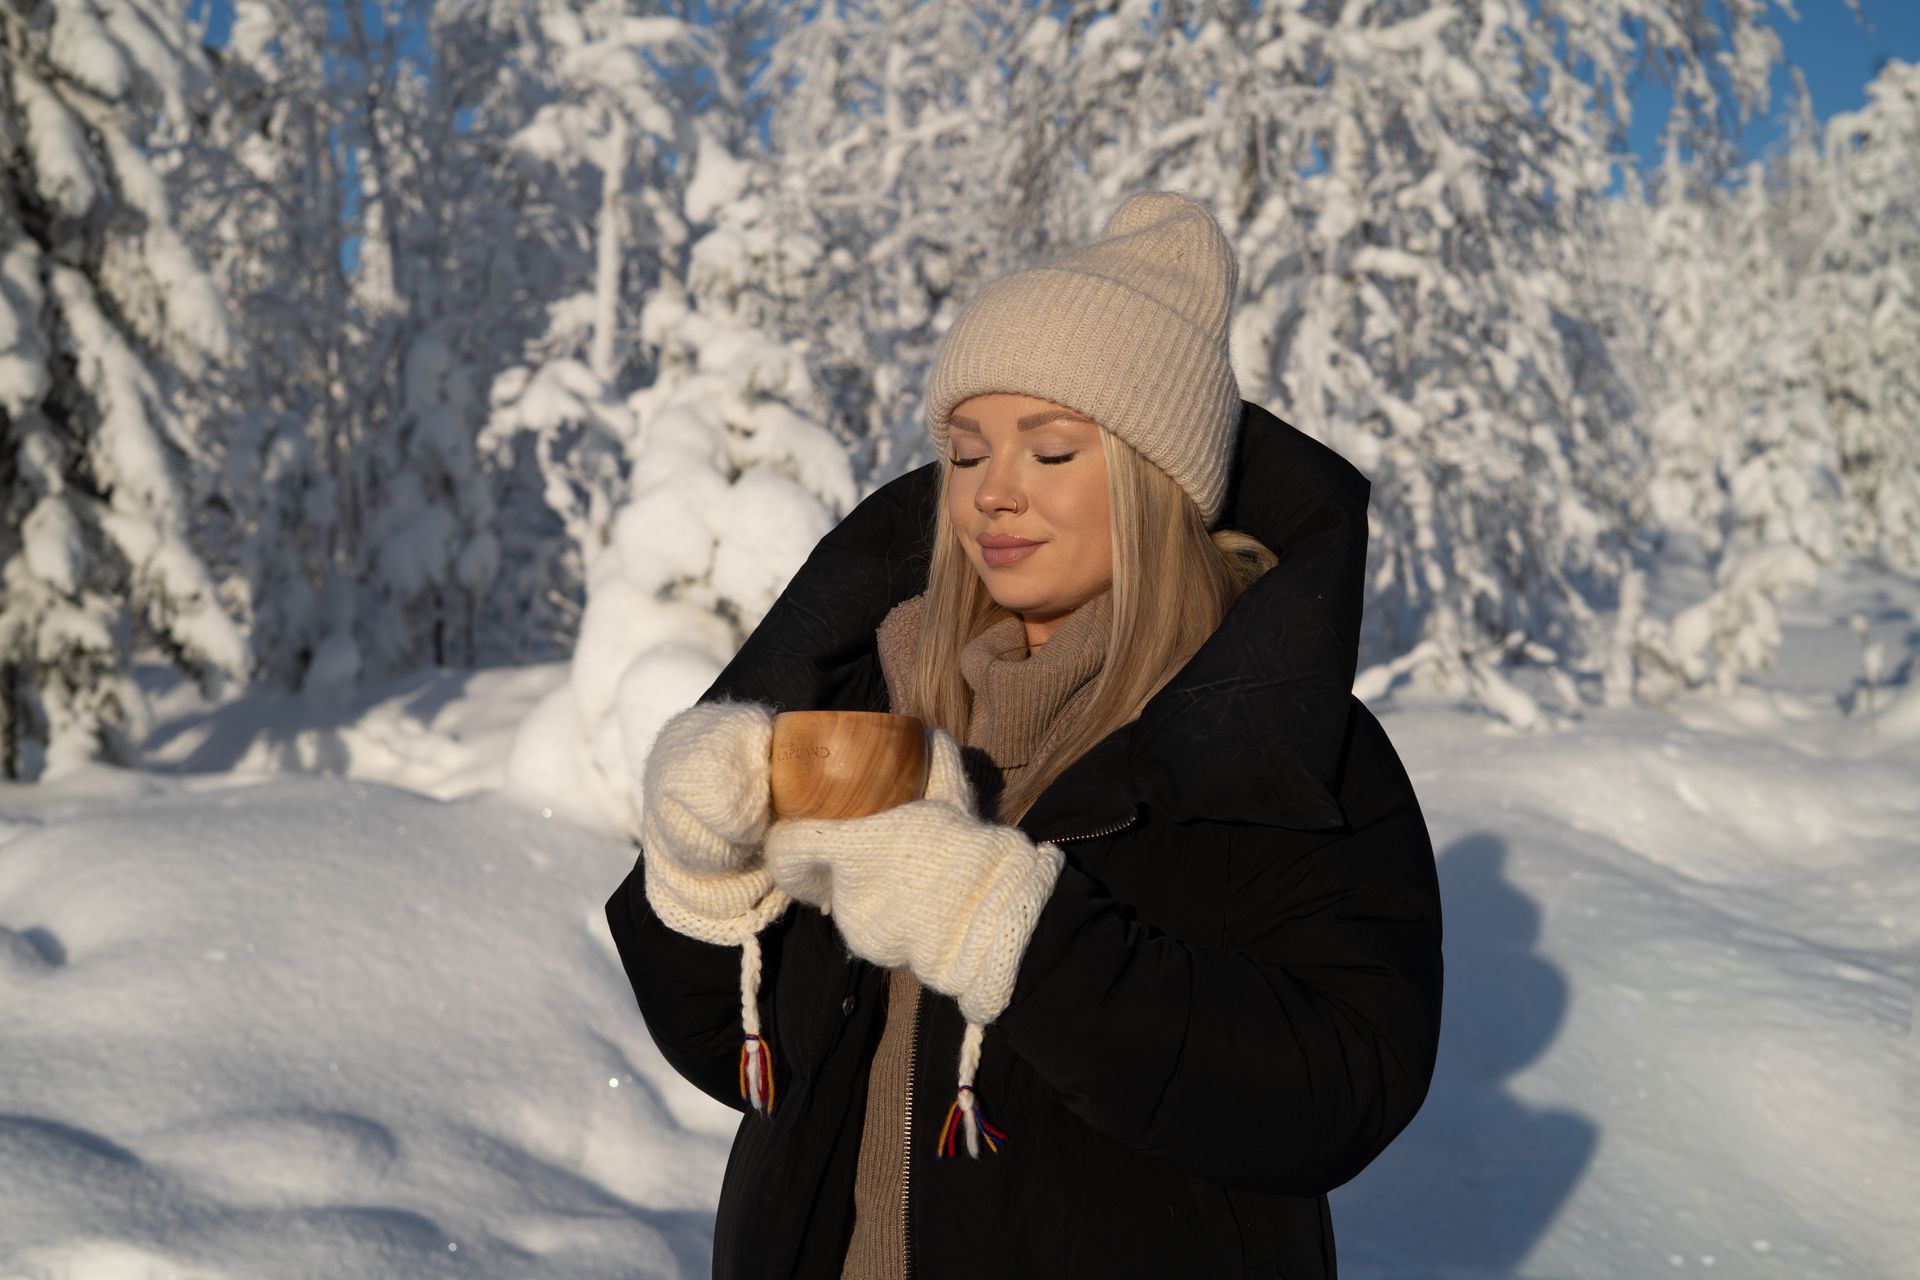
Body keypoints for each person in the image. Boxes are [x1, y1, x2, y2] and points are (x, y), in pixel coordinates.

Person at [606, 190, 1443, 1279]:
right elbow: (759, 1068)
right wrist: (702, 884)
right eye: (964, 451)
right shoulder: (874, 700)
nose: (993, 494)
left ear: (1155, 481)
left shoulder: (1271, 737)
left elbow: (1339, 1090)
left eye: (1051, 451)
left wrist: (1021, 937)